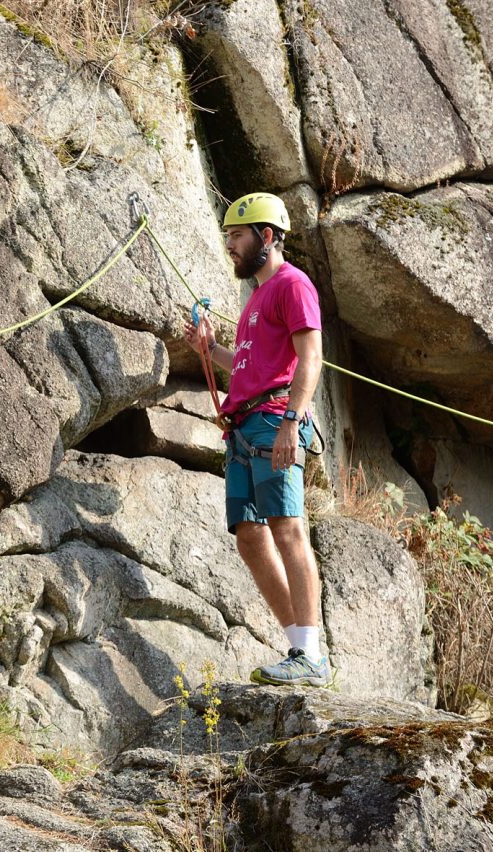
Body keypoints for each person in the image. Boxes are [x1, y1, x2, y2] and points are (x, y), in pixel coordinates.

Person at [184, 192, 332, 688]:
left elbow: (310, 358)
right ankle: (297, 647)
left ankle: (311, 653)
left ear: (266, 237)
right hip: (244, 427)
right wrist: (211, 349)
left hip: (274, 422)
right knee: (250, 538)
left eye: (237, 235)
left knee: (287, 527)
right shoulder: (255, 302)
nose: (229, 244)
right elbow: (248, 367)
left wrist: (293, 420)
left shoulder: (293, 285)